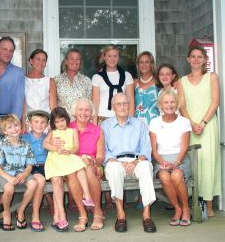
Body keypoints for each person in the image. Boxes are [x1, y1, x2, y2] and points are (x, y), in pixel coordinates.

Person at [101, 93, 157, 233]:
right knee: (113, 168)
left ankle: (147, 215)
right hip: (115, 161)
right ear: (113, 107)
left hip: (136, 161)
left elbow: (146, 148)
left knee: (146, 167)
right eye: (118, 104)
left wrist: (137, 161)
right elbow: (103, 149)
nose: (122, 107)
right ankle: (121, 215)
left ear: (129, 105)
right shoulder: (105, 125)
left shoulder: (139, 124)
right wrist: (113, 160)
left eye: (125, 103)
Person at [178, 45, 221, 217]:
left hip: (208, 126)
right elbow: (181, 106)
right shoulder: (181, 81)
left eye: (199, 56)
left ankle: (209, 205)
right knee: (194, 166)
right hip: (189, 127)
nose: (196, 59)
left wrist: (202, 122)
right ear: (188, 59)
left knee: (208, 164)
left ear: (205, 59)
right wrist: (192, 124)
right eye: (193, 56)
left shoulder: (211, 77)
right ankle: (194, 202)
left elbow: (215, 101)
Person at [43, 107, 95, 232]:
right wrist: (56, 148)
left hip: (68, 157)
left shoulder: (73, 131)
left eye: (62, 120)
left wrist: (68, 151)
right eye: (57, 122)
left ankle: (87, 196)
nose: (60, 124)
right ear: (53, 123)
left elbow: (76, 148)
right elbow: (45, 144)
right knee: (56, 181)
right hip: (55, 159)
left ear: (66, 119)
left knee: (80, 166)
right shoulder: (52, 132)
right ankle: (62, 215)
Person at [150, 90, 192, 226]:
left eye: (172, 101)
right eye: (166, 102)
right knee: (164, 176)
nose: (169, 105)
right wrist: (163, 163)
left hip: (180, 159)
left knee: (176, 175)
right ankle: (177, 209)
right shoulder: (154, 122)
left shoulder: (184, 122)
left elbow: (184, 147)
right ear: (160, 105)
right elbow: (154, 150)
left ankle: (186, 209)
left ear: (177, 104)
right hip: (161, 160)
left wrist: (175, 164)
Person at [0, 114, 38, 231]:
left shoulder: (26, 144)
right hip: (4, 174)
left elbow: (30, 165)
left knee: (33, 184)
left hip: (21, 173)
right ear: (4, 131)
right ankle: (7, 212)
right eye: (10, 127)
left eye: (16, 125)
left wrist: (24, 174)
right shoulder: (1, 145)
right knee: (9, 188)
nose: (14, 129)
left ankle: (21, 210)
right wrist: (8, 177)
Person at [68, 98, 105, 230]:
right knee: (72, 173)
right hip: (73, 165)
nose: (83, 113)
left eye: (87, 110)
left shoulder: (97, 131)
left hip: (92, 164)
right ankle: (82, 213)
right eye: (80, 109)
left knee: (89, 170)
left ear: (91, 112)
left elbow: (100, 156)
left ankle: (97, 211)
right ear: (75, 111)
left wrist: (93, 161)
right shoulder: (68, 128)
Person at [22, 110, 54, 229]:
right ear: (29, 123)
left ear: (47, 124)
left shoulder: (48, 137)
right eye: (36, 122)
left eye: (42, 122)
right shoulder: (24, 138)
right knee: (40, 180)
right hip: (32, 167)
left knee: (57, 178)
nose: (39, 125)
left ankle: (54, 206)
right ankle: (35, 215)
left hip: (47, 166)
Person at [92, 44, 135, 124]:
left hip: (122, 118)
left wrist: (131, 122)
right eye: (109, 56)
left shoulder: (127, 76)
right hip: (102, 118)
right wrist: (94, 125)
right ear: (104, 57)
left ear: (119, 57)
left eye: (115, 56)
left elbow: (131, 101)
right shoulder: (97, 77)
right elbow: (95, 103)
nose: (112, 59)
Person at [0, 36, 25, 120]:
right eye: (4, 49)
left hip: (9, 122)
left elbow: (18, 101)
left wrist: (13, 122)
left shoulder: (18, 73)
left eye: (11, 51)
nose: (7, 53)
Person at [23, 49, 57, 130]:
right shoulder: (23, 80)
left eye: (43, 60)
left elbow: (53, 108)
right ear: (31, 61)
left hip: (45, 124)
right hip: (29, 123)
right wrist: (23, 124)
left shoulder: (50, 81)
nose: (40, 63)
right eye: (38, 59)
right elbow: (22, 105)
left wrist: (53, 126)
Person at [54, 48, 92, 119]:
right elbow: (53, 104)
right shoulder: (56, 80)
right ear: (66, 61)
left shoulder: (87, 81)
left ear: (80, 62)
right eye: (72, 59)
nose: (75, 62)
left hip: (81, 123)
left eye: (77, 59)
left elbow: (89, 104)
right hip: (62, 124)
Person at [134, 51, 160, 125]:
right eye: (141, 62)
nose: (144, 65)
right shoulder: (134, 83)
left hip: (155, 124)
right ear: (138, 65)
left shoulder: (159, 82)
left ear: (151, 64)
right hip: (137, 124)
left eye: (147, 62)